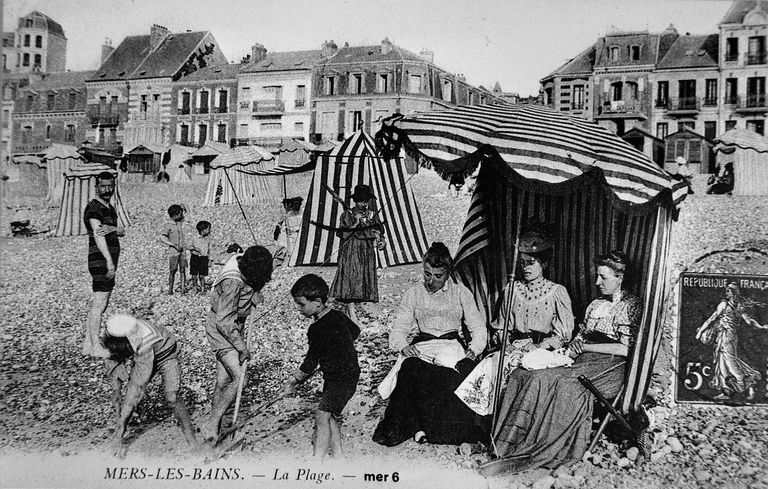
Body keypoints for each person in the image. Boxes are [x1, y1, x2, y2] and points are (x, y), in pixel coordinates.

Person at [481, 250, 642, 475]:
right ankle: (507, 446)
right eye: (597, 276)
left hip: (610, 367)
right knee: (529, 375)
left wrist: (585, 347)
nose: (597, 282)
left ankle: (540, 450)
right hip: (582, 360)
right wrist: (567, 352)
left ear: (620, 278)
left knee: (565, 386)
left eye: (603, 278)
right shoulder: (595, 305)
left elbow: (626, 348)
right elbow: (580, 337)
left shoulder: (630, 305)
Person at [372, 242, 488, 447]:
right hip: (423, 345)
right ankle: (416, 425)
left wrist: (474, 349)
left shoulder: (461, 292)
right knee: (409, 368)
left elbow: (478, 328)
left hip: (452, 345)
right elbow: (399, 329)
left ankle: (446, 430)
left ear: (448, 273)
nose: (431, 281)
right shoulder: (413, 293)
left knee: (465, 371)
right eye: (427, 274)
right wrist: (402, 346)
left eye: (438, 276)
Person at [455, 230, 574, 416]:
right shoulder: (513, 289)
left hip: (542, 350)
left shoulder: (557, 292)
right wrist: (506, 344)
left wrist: (539, 345)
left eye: (531, 263)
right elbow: (501, 326)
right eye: (522, 263)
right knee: (493, 366)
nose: (525, 267)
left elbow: (563, 334)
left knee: (524, 371)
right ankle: (484, 422)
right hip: (514, 347)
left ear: (545, 263)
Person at [283, 274, 360, 459]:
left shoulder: (316, 329)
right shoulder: (338, 316)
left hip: (340, 378)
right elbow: (355, 332)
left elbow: (310, 361)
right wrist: (337, 348)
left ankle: (318, 460)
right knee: (331, 415)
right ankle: (339, 456)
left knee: (321, 416)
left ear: (317, 302)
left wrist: (293, 381)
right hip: (346, 374)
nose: (298, 309)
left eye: (301, 304)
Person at [200, 245, 273, 442]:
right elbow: (224, 321)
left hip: (232, 327)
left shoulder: (243, 258)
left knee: (223, 381)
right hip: (221, 330)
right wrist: (242, 348)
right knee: (241, 378)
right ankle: (212, 422)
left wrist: (254, 293)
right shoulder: (233, 282)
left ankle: (215, 430)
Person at [102, 314, 198, 456]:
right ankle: (118, 435)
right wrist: (116, 388)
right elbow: (112, 360)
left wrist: (119, 431)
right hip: (138, 350)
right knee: (119, 392)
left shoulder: (144, 342)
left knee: (172, 396)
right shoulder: (113, 332)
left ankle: (192, 441)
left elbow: (137, 387)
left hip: (166, 353)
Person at [695, 281, 766, 401]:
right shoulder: (739, 306)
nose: (726, 293)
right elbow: (749, 321)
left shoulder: (726, 305)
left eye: (728, 291)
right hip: (725, 335)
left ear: (733, 293)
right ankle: (727, 391)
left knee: (729, 361)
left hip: (727, 335)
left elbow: (712, 319)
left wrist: (700, 332)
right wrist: (760, 326)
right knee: (722, 361)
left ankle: (742, 384)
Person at [329, 184, 385, 324]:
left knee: (363, 280)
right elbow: (343, 234)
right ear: (355, 201)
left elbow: (379, 231)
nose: (364, 204)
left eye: (366, 201)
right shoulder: (347, 214)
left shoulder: (372, 215)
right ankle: (352, 313)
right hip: (351, 249)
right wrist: (355, 222)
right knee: (351, 279)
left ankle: (362, 311)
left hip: (366, 249)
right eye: (361, 201)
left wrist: (381, 240)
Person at [83, 171, 125, 357]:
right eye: (103, 186)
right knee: (99, 305)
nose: (107, 190)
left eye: (110, 186)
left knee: (100, 304)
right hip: (100, 260)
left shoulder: (110, 208)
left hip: (107, 260)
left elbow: (122, 230)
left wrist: (113, 228)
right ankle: (95, 347)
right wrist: (109, 262)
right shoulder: (93, 208)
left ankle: (87, 345)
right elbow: (99, 237)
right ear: (96, 187)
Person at [157, 204, 187, 295]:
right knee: (172, 271)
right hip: (174, 252)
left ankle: (182, 289)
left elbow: (186, 212)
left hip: (182, 251)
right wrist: (173, 245)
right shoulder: (168, 225)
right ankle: (170, 289)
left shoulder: (179, 222)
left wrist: (182, 207)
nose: (182, 215)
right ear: (175, 215)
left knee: (182, 270)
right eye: (180, 214)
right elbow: (162, 238)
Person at [189, 220, 212, 295]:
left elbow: (209, 250)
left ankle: (202, 289)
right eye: (208, 229)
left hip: (204, 258)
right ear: (203, 230)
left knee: (202, 275)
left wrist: (210, 260)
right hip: (195, 257)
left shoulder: (208, 239)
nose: (209, 231)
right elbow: (189, 246)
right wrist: (195, 248)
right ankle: (194, 288)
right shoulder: (194, 238)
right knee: (194, 274)